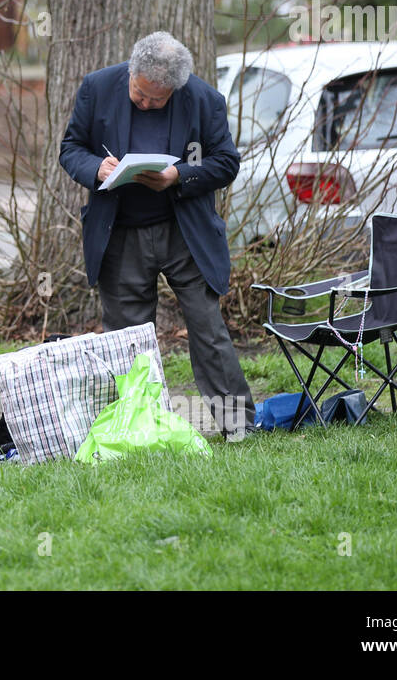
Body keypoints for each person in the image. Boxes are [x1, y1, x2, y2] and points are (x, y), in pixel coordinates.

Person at [59, 30, 255, 438]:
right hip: (121, 232)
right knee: (128, 340)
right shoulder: (97, 87)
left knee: (208, 328)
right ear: (131, 72)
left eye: (156, 100)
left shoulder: (204, 100)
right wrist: (97, 168)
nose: (145, 103)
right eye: (140, 93)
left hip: (185, 232)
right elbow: (71, 148)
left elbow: (225, 163)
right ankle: (136, 427)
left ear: (175, 89)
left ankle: (239, 426)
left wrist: (178, 175)